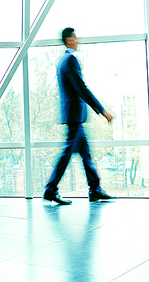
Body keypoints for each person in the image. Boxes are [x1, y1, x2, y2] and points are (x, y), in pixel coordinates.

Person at [43, 27, 117, 205]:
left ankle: (95, 189)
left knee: (86, 153)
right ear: (69, 40)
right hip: (74, 116)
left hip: (74, 115)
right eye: (75, 38)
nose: (78, 41)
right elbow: (81, 89)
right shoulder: (70, 61)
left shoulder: (62, 61)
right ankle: (50, 189)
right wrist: (102, 110)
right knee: (67, 154)